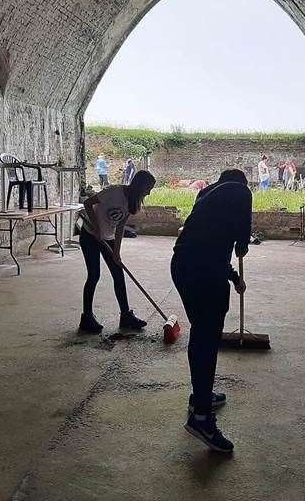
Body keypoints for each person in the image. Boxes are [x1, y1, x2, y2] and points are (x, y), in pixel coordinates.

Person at [171, 169, 251, 453]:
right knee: (207, 339)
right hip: (204, 273)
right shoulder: (241, 192)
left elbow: (209, 247)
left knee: (202, 334)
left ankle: (199, 397)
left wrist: (233, 277)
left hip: (183, 266)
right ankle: (201, 418)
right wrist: (243, 245)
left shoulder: (206, 194)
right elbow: (240, 241)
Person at [76, 170, 157, 333]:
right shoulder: (114, 192)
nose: (149, 192)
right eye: (148, 188)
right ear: (140, 185)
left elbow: (120, 228)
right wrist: (97, 228)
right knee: (94, 275)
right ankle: (87, 317)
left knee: (118, 274)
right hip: (90, 235)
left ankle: (126, 316)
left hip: (108, 238)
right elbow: (87, 203)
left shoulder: (132, 202)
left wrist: (117, 252)